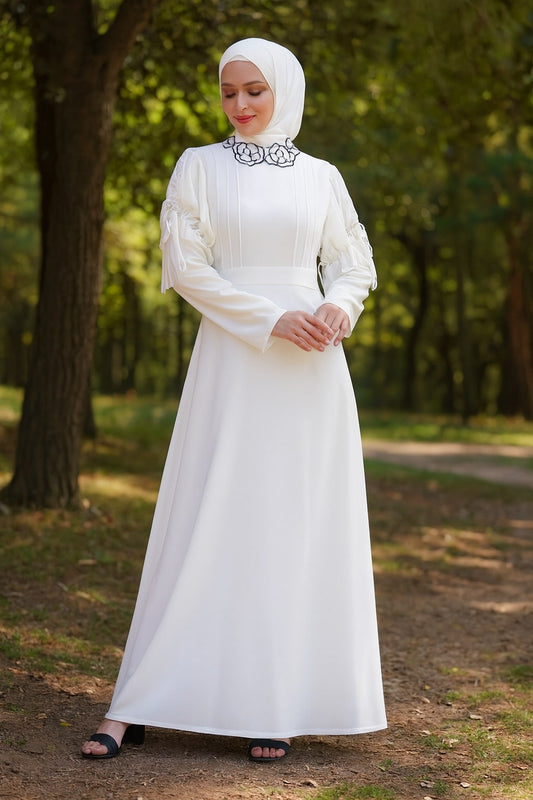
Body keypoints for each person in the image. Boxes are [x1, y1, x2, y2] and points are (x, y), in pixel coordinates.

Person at [82, 37, 386, 764]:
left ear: (283, 89)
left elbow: (353, 263)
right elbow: (185, 267)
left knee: (289, 523)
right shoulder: (199, 165)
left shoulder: (321, 176)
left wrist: (338, 307)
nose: (242, 105)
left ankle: (271, 701)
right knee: (205, 514)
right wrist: (266, 318)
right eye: (230, 92)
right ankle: (139, 700)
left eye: (256, 90)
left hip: (311, 367)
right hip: (234, 355)